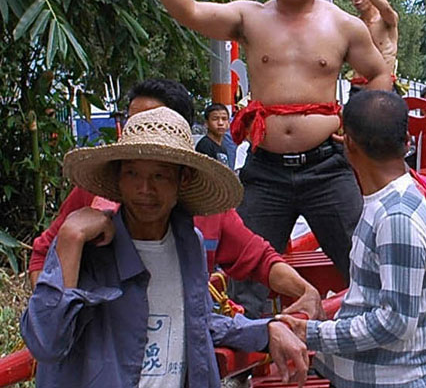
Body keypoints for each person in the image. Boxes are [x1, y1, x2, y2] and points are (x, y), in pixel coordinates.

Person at [126, 0, 392, 314]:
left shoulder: (343, 25)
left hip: (326, 168)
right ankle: (248, 363)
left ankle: (368, 355)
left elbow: (380, 74)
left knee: (361, 262)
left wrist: (352, 126)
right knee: (245, 277)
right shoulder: (249, 17)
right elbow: (190, 11)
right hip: (265, 169)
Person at [22, 107, 309, 388]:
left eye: (159, 175)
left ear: (182, 179)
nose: (144, 189)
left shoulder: (189, 242)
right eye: (132, 174)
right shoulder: (90, 246)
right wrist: (70, 236)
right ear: (119, 178)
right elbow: (46, 343)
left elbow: (196, 322)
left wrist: (266, 329)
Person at [28, 79, 323, 319]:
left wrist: (305, 291)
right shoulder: (92, 199)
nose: (144, 188)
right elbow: (43, 257)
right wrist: (59, 318)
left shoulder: (210, 214)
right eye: (136, 124)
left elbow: (258, 257)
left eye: (160, 175)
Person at [277, 91, 426, 388]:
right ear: (407, 140)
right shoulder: (384, 202)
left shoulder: (396, 217)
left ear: (348, 143)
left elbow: (396, 322)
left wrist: (310, 332)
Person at [345, 0, 399, 90]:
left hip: (383, 88)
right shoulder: (354, 25)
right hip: (358, 88)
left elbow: (386, 8)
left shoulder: (387, 20)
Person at [196, 102, 233, 167]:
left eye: (224, 119)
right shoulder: (205, 145)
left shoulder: (223, 147)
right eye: (215, 119)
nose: (220, 123)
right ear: (206, 123)